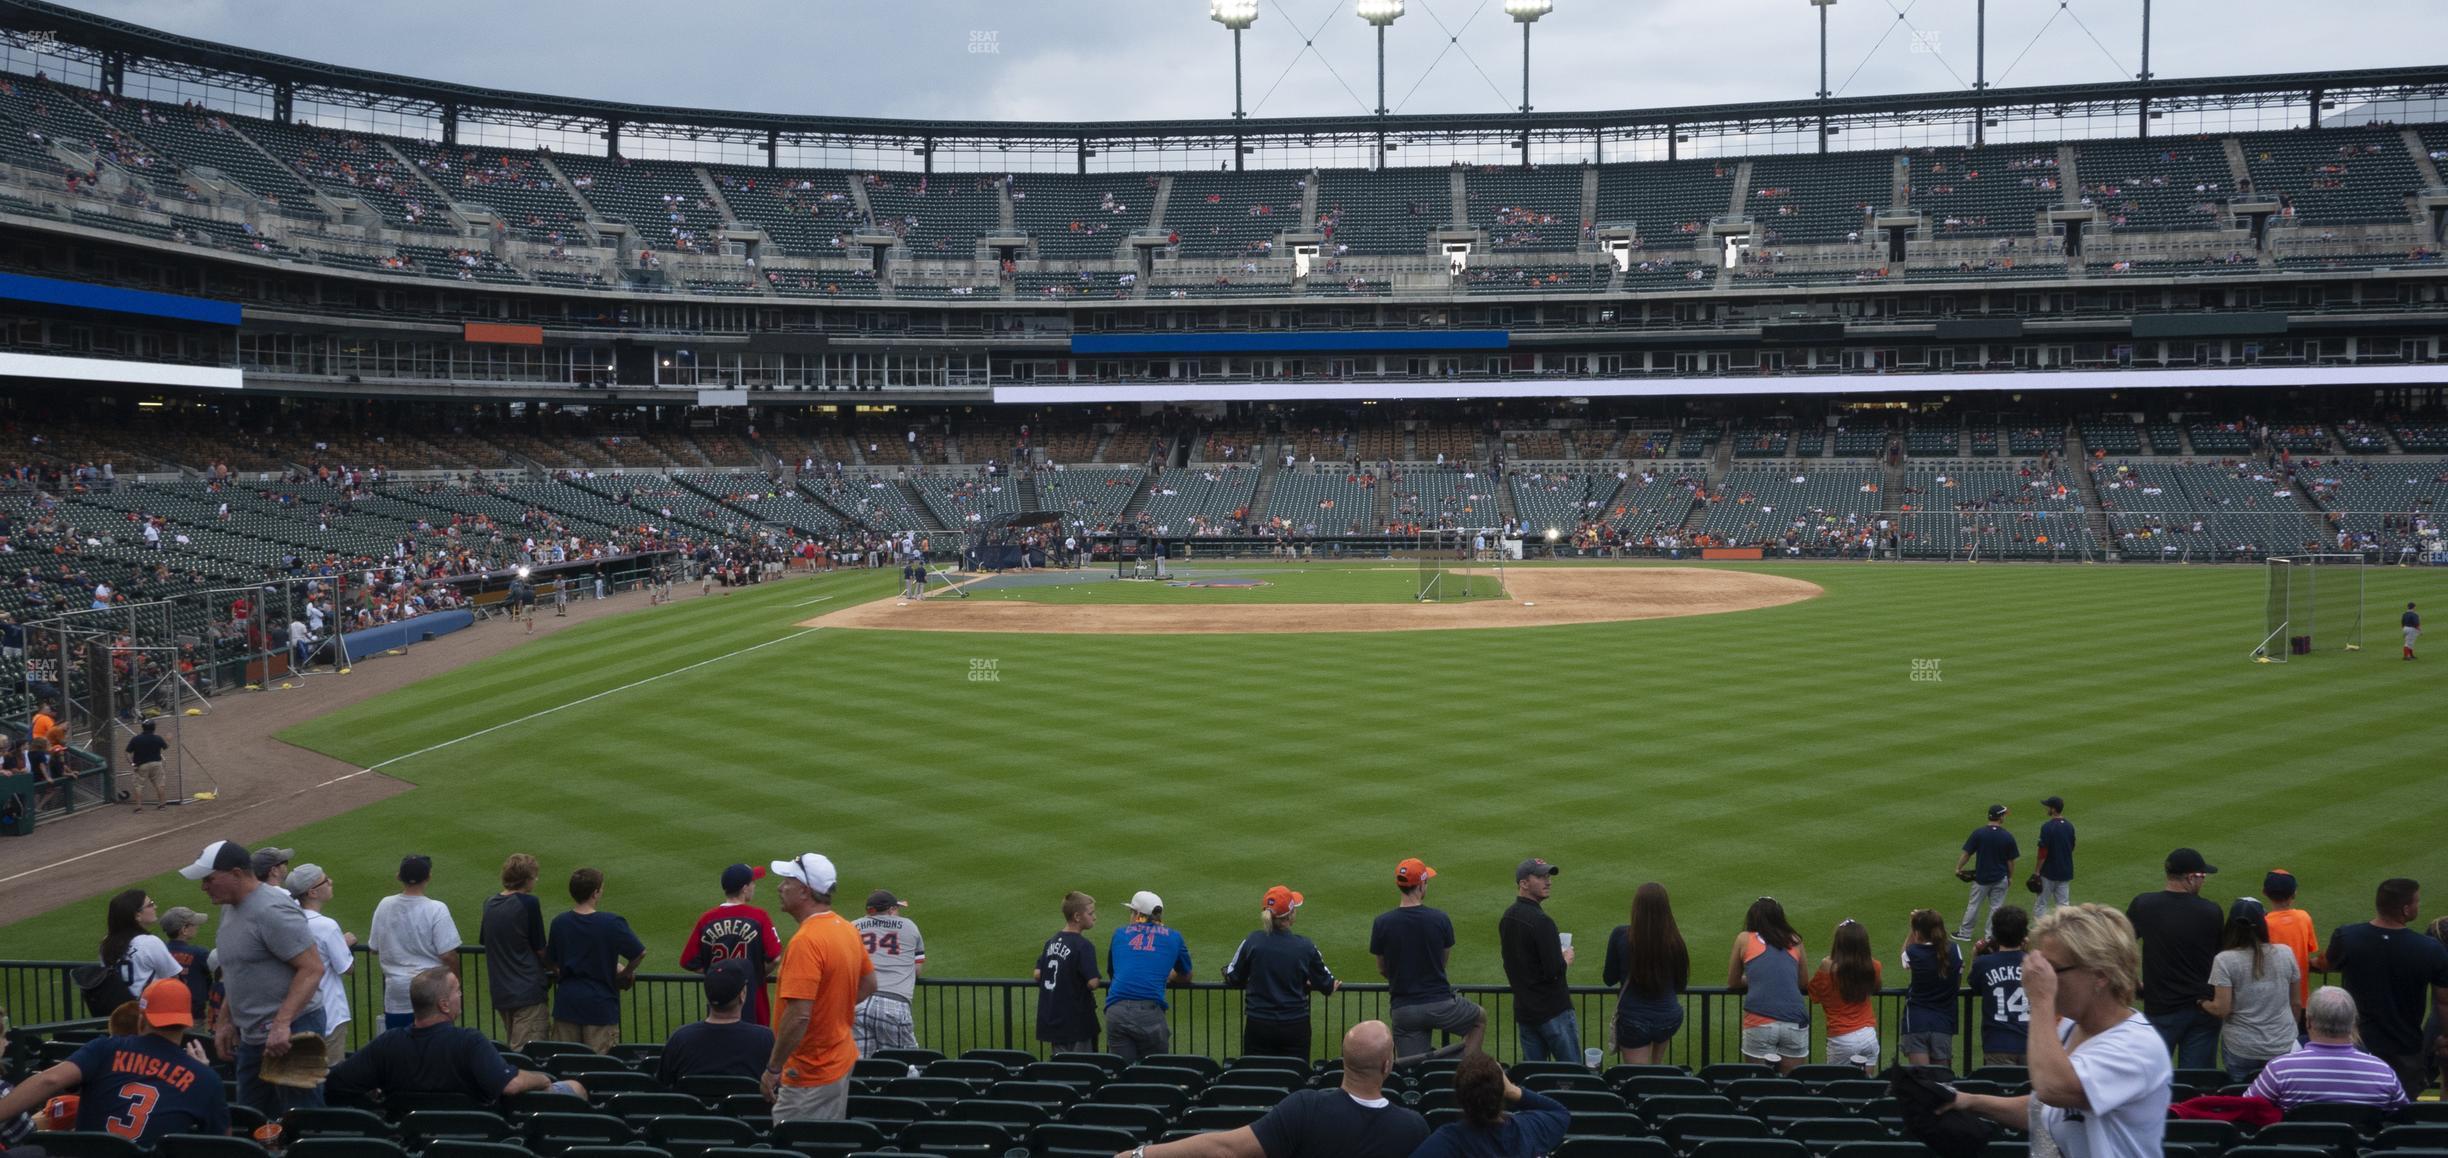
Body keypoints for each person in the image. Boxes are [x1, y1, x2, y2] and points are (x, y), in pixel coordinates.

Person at [1940, 905, 2170, 1157]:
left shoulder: (2137, 1047)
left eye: (2053, 969)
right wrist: (1968, 1101)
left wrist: (2039, 1000)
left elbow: (2055, 1089)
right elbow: (2045, 1110)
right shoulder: (2072, 1027)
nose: (2041, 977)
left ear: (2100, 975)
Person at [1115, 1021, 1427, 1158]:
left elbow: (1226, 1149)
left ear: (1344, 1060)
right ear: (1388, 1065)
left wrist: (1141, 1154)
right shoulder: (1413, 1127)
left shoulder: (1306, 1108)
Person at [179, 839, 326, 1118]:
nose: (203, 887)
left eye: (209, 879)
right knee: (252, 1118)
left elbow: (312, 969)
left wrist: (282, 1024)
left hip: (291, 1032)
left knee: (300, 1120)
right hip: (255, 1035)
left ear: (236, 874)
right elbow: (239, 971)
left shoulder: (272, 910)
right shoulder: (230, 908)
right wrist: (225, 1020)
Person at [0, 979, 227, 1146]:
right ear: (186, 1023)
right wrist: (201, 1074)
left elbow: (51, 1079)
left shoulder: (106, 1048)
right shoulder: (204, 1078)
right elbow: (224, 1147)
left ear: (143, 1018)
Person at [324, 968, 584, 1106]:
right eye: (457, 991)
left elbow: (335, 1084)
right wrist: (542, 1078)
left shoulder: (388, 1043)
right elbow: (510, 1085)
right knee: (575, 1088)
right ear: (444, 1005)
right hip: (476, 1139)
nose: (462, 995)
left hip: (410, 1136)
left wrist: (378, 1104)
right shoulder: (469, 1042)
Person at [2312, 877, 2448, 1098]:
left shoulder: (2348, 937)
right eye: (2416, 902)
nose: (2418, 906)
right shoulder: (2430, 949)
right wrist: (2445, 1037)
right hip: (2405, 1047)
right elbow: (2444, 1002)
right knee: (2402, 1111)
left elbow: (2326, 963)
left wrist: (2309, 964)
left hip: (2356, 1044)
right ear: (2405, 909)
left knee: (2354, 1105)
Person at [763, 852, 873, 1121]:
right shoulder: (845, 928)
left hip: (809, 1071)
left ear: (804, 891)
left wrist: (773, 1068)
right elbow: (870, 984)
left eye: (787, 881)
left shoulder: (806, 942)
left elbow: (799, 1014)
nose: (780, 887)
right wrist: (831, 1010)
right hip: (838, 1057)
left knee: (795, 1143)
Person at [1373, 858, 1484, 1063]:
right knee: (1479, 1018)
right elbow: (1442, 962)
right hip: (1440, 1003)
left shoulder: (1382, 923)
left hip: (1404, 1008)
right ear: (1422, 884)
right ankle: (1466, 1069)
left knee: (1411, 1068)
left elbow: (1382, 967)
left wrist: (1403, 977)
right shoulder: (1440, 918)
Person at [2126, 847, 2224, 1070]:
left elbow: (2119, 947)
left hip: (2160, 1007)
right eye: (2202, 876)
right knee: (2196, 1084)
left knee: (2150, 1080)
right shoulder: (2211, 911)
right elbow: (2221, 960)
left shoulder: (2143, 905)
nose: (2203, 881)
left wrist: (2133, 983)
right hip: (2202, 1010)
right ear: (2190, 878)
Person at [2245, 987, 2411, 1112]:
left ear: (2308, 1022)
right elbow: (2403, 1118)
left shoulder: (2280, 1069)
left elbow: (2247, 1108)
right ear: (2352, 1023)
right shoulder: (2382, 1072)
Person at [1222, 886, 1339, 1060]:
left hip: (1259, 1022)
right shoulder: (1305, 946)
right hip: (1295, 1024)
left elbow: (1233, 976)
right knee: (1296, 1077)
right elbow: (1327, 984)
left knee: (1257, 1076)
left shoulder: (1253, 941)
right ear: (1290, 915)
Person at [545, 867, 644, 1053]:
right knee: (601, 1068)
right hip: (600, 1004)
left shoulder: (560, 922)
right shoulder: (611, 922)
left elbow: (551, 961)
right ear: (595, 892)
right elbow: (639, 953)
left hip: (567, 1003)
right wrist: (625, 973)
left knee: (565, 1065)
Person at [2203, 897, 2301, 1082]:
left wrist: (2200, 1002)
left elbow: (2221, 1009)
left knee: (2242, 1099)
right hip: (2282, 1044)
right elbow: (2295, 1004)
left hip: (2242, 1048)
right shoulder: (2285, 953)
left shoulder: (2224, 960)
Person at [1409, 1051, 1573, 1158]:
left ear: (1459, 1096)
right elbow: (1560, 1113)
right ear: (1501, 1092)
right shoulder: (1527, 1129)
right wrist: (1512, 1090)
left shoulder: (1449, 1139)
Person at [680, 864, 783, 1028]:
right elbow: (775, 957)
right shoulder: (758, 917)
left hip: (719, 1005)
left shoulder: (707, 919)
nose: (754, 886)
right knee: (756, 1045)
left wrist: (715, 974)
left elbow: (688, 961)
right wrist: (755, 975)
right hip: (754, 1002)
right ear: (744, 888)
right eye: (752, 883)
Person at [367, 854, 459, 1032]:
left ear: (398, 876)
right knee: (434, 1048)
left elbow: (373, 947)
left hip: (396, 993)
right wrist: (456, 982)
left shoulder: (384, 904)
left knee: (400, 1050)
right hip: (431, 992)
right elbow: (448, 954)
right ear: (429, 877)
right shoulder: (436, 908)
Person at [1499, 858, 1577, 1063]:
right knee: (1574, 1075)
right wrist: (1566, 959)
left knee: (1534, 1076)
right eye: (1541, 877)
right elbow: (1554, 970)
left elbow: (1510, 963)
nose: (1548, 881)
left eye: (1548, 876)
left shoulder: (1508, 917)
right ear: (1523, 883)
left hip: (1525, 1011)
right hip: (1553, 1011)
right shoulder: (1542, 922)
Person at [1601, 882, 1688, 1065]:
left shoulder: (1621, 935)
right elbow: (1681, 984)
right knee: (1656, 1071)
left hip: (1634, 1019)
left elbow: (1609, 978)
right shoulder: (1675, 940)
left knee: (1638, 1078)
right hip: (1668, 1017)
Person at [1106, 890, 1192, 1063]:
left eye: (1132, 912)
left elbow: (1113, 972)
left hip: (1116, 1010)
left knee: (1122, 1073)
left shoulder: (1120, 934)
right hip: (1150, 1012)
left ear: (1138, 914)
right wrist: (1168, 977)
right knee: (1154, 1071)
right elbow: (1186, 975)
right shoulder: (1174, 937)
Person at [657, 960, 774, 1085]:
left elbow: (662, 1086)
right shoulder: (764, 1038)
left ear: (708, 996)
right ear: (742, 995)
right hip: (745, 1105)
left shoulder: (680, 1039)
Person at [1726, 897, 1807, 1073]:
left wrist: (1754, 979)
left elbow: (1733, 982)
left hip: (1759, 1021)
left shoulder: (1744, 938)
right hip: (1794, 1021)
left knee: (1760, 1083)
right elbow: (1802, 982)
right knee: (1792, 1084)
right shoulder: (1795, 940)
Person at [479, 853, 551, 1050]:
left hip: (502, 991)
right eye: (534, 876)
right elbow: (540, 949)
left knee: (515, 1049)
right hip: (527, 990)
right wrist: (558, 968)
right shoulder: (528, 903)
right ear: (526, 879)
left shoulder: (489, 903)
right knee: (529, 1056)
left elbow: (486, 941)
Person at [285, 865, 355, 1050]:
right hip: (329, 1015)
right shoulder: (326, 926)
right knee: (329, 1073)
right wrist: (343, 944)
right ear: (313, 892)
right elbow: (347, 968)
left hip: (296, 1015)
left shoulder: (286, 920)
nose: (330, 882)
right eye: (325, 880)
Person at [851, 889, 925, 1056]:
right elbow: (917, 970)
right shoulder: (909, 926)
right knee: (908, 1066)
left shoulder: (852, 926)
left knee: (860, 1068)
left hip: (857, 1003)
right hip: (893, 1004)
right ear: (891, 910)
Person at [1034, 891, 1103, 1054]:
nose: (1094, 917)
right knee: (1081, 1069)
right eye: (1091, 913)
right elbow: (1093, 982)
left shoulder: (1050, 942)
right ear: (1078, 917)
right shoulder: (1083, 945)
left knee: (1061, 1068)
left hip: (1054, 1018)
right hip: (1077, 1020)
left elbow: (1037, 973)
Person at [1809, 920, 1882, 1074]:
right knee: (1865, 1089)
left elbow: (1814, 996)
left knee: (1838, 1088)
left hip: (1842, 1038)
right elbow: (1875, 987)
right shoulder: (1873, 966)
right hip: (1868, 1036)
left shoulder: (1827, 967)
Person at [1902, 908, 1964, 1069]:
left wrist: (1912, 927)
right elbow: (1957, 981)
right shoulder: (1955, 950)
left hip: (1916, 1021)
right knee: (1941, 1081)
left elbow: (1905, 956)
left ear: (1918, 933)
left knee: (1921, 1080)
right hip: (1943, 1023)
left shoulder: (1913, 951)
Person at [1972, 906, 2032, 1066]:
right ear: (2024, 934)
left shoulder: (1984, 963)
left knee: (1998, 1090)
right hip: (2031, 1042)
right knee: (2031, 1090)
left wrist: (1975, 957)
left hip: (1997, 1043)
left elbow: (1975, 986)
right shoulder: (2035, 963)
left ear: (1995, 933)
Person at [101, 889, 184, 1004]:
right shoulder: (150, 943)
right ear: (137, 915)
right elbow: (173, 978)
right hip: (148, 1013)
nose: (155, 906)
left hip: (118, 1013)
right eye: (150, 905)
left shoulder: (106, 943)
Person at [1954, 804, 2020, 942]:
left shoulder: (1979, 833)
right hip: (2000, 878)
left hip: (1981, 878)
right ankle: (1991, 936)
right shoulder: (2007, 836)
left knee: (1974, 905)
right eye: (2003, 815)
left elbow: (1967, 854)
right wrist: (2010, 877)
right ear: (2000, 817)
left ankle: (1965, 934)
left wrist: (1958, 868)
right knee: (1996, 908)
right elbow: (2011, 861)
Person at [2262, 870, 2318, 1012]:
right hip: (2301, 998)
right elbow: (2310, 948)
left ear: (2264, 892)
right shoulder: (2304, 917)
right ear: (2294, 894)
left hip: (2273, 1001)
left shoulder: (2264, 923)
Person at [160, 906, 212, 1022]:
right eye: (193, 924)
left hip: (166, 1011)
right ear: (184, 930)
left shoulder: (160, 951)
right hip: (194, 1013)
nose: (197, 926)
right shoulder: (199, 953)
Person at [2034, 796, 2075, 918]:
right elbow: (2072, 846)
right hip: (2065, 871)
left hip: (2048, 872)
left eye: (2048, 806)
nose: (2046, 808)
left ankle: (2039, 933)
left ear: (2053, 809)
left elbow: (2043, 852)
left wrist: (2037, 872)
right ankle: (2064, 935)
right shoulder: (2069, 826)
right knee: (2063, 905)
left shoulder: (2047, 827)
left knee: (2041, 904)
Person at [125, 720, 170, 811]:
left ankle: (139, 807)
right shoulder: (158, 738)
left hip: (141, 765)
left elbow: (127, 753)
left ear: (143, 727)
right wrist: (168, 740)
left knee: (138, 786)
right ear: (154, 728)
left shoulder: (136, 739)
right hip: (156, 764)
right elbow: (165, 747)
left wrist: (132, 763)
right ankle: (162, 805)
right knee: (159, 784)